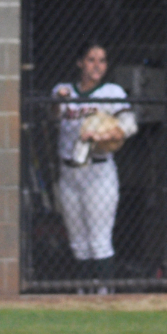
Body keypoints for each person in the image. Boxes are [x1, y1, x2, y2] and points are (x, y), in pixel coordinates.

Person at [51, 42, 137, 289]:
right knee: (78, 241)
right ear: (80, 63)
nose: (97, 65)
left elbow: (129, 124)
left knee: (99, 239)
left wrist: (105, 135)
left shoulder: (111, 91)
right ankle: (83, 292)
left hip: (98, 171)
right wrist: (57, 101)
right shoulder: (65, 90)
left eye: (102, 60)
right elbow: (52, 115)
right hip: (69, 170)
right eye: (91, 59)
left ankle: (103, 294)